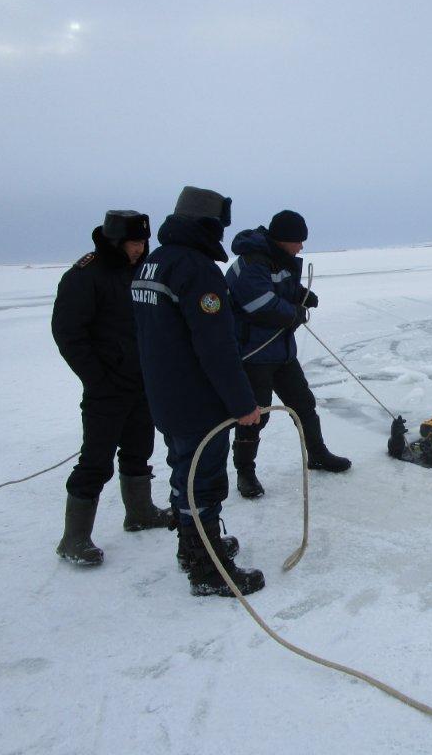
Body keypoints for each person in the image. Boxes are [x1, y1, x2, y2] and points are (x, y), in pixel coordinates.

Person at [131, 186, 264, 597]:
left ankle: (195, 548)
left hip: (165, 393)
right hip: (195, 399)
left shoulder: (153, 263)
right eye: (220, 226)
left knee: (183, 473)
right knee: (201, 481)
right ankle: (207, 570)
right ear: (207, 225)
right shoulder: (197, 269)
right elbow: (216, 346)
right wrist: (243, 403)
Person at [52, 210, 172, 566]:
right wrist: (98, 379)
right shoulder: (85, 275)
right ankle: (73, 539)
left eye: (144, 241)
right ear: (117, 241)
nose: (141, 248)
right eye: (136, 242)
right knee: (95, 461)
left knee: (138, 450)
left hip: (141, 381)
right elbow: (68, 334)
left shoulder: (140, 270)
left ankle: (140, 513)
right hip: (106, 387)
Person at [225, 210, 350, 499]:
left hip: (280, 352)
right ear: (284, 239)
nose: (301, 247)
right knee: (255, 416)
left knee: (304, 403)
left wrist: (302, 295)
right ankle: (245, 472)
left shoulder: (277, 258)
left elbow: (283, 288)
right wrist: (294, 312)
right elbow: (261, 304)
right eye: (298, 241)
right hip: (254, 353)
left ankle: (317, 454)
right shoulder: (254, 261)